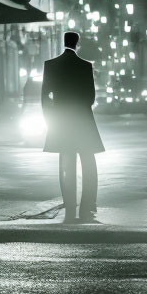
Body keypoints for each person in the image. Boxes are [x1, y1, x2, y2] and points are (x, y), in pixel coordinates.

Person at [41, 31, 104, 223]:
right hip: (82, 120)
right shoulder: (85, 66)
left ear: (64, 42)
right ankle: (88, 204)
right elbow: (91, 98)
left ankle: (69, 202)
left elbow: (45, 97)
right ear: (77, 44)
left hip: (61, 120)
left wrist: (50, 118)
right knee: (88, 162)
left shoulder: (51, 65)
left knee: (65, 162)